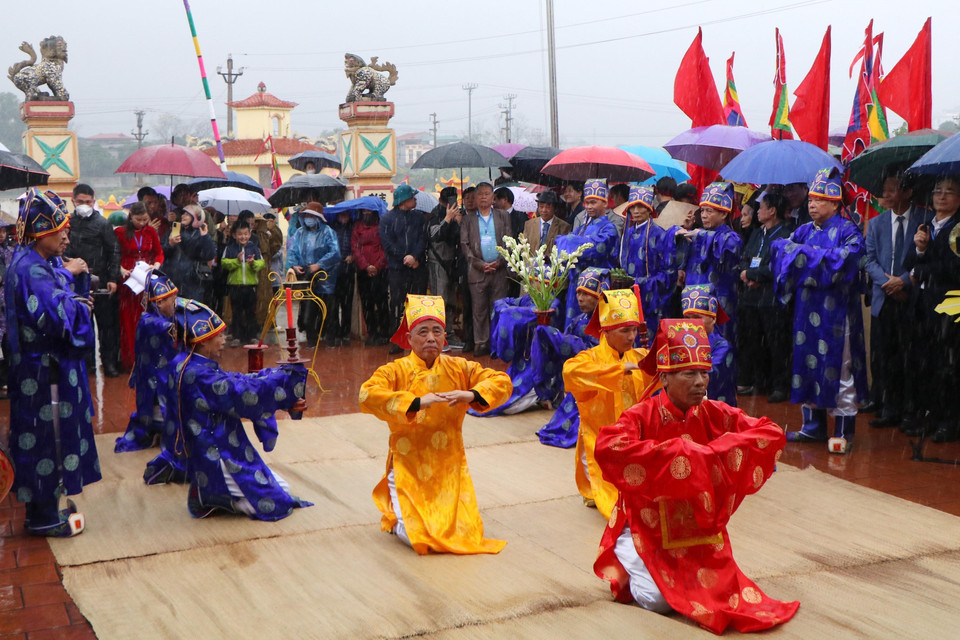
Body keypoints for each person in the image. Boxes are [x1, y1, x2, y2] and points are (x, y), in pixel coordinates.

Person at [593, 318, 798, 634]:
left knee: (719, 595)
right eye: (689, 374)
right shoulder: (641, 416)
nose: (701, 382)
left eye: (704, 373)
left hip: (699, 529)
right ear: (664, 379)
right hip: (646, 525)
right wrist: (680, 454)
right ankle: (627, 559)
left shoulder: (714, 412)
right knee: (656, 599)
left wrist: (718, 453)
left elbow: (767, 432)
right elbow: (608, 446)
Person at [359, 294, 512, 554]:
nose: (431, 338)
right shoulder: (394, 371)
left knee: (467, 534)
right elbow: (367, 394)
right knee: (419, 538)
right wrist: (416, 402)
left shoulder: (459, 367)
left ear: (444, 338)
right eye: (423, 332)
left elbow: (501, 381)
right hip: (408, 465)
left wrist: (471, 394)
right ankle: (397, 519)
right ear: (409, 339)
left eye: (437, 331)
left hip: (449, 466)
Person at [6, 189, 99, 537]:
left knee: (43, 437)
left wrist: (65, 275)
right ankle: (43, 517)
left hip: (36, 370)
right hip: (42, 372)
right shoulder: (33, 270)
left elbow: (52, 289)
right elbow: (59, 316)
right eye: (60, 230)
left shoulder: (31, 262)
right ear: (41, 233)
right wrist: (79, 302)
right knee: (47, 439)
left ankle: (45, 507)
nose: (66, 237)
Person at [175, 299, 311, 520]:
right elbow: (240, 394)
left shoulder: (188, 363)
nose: (223, 340)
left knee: (279, 487)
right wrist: (282, 384)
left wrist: (268, 377)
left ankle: (211, 491)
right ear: (201, 343)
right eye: (217, 336)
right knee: (278, 498)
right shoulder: (198, 374)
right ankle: (213, 495)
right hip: (214, 451)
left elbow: (230, 381)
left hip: (209, 442)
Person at [772, 167, 868, 453]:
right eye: (811, 199)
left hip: (836, 313)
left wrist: (801, 256)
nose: (812, 204)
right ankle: (812, 427)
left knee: (840, 366)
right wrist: (807, 257)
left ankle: (842, 430)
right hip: (806, 310)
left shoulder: (848, 231)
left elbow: (848, 261)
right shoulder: (802, 230)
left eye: (820, 199)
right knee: (807, 363)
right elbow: (779, 251)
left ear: (836, 203)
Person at [562, 288, 660, 519]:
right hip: (600, 437)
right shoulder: (591, 357)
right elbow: (570, 372)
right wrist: (617, 370)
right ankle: (592, 488)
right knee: (614, 499)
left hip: (633, 438)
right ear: (606, 331)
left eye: (634, 329)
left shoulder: (638, 357)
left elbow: (657, 376)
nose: (631, 336)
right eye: (625, 330)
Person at [902, 175, 960, 442]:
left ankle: (949, 421)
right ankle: (928, 416)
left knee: (947, 365)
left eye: (949, 192)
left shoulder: (957, 228)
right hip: (923, 305)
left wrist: (921, 270)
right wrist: (920, 250)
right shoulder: (925, 225)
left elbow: (954, 268)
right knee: (923, 361)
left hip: (949, 305)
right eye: (938, 191)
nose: (941, 196)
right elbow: (907, 262)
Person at [864, 172, 923, 430]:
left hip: (911, 299)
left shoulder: (925, 220)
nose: (886, 195)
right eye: (884, 189)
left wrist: (904, 281)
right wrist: (888, 284)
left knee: (909, 357)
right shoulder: (876, 224)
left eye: (892, 189)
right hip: (883, 298)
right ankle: (887, 406)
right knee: (883, 356)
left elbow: (925, 257)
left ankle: (909, 411)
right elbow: (869, 260)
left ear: (908, 192)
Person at [534, 267, 608, 448]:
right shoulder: (578, 320)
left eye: (586, 294)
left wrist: (569, 343)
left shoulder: (608, 323)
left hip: (598, 379)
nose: (580, 299)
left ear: (599, 295)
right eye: (578, 293)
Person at [737, 190, 793, 402]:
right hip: (751, 297)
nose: (757, 211)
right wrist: (745, 273)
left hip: (772, 298)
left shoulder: (786, 234)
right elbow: (745, 258)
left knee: (776, 343)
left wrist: (753, 274)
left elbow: (779, 266)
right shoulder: (756, 233)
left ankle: (780, 385)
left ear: (772, 210)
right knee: (753, 341)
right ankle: (760, 382)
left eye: (761, 207)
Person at [115, 270, 179, 453]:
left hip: (163, 373)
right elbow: (173, 329)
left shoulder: (164, 319)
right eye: (172, 299)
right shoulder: (150, 321)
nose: (177, 303)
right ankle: (158, 431)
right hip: (154, 378)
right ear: (159, 302)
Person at [678, 181, 743, 353]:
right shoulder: (697, 234)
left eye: (710, 211)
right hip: (692, 303)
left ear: (723, 214)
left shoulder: (731, 238)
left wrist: (700, 234)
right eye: (703, 210)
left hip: (719, 303)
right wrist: (684, 231)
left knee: (719, 346)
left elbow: (725, 252)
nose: (704, 215)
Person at [65, 183, 121, 377]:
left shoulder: (103, 223)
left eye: (88, 202)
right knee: (82, 325)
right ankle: (87, 365)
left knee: (107, 326)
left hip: (102, 280)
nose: (84, 205)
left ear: (94, 202)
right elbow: (62, 251)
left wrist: (113, 278)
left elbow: (114, 250)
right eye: (80, 201)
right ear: (73, 201)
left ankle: (109, 363)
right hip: (77, 281)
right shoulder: (67, 224)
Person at [618, 185, 679, 344]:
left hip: (651, 297)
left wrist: (645, 283)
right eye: (633, 207)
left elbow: (668, 272)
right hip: (629, 297)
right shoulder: (629, 232)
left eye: (641, 206)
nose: (636, 211)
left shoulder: (659, 234)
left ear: (650, 209)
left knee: (649, 341)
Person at [556, 179, 620, 329]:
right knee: (573, 323)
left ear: (605, 203)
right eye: (587, 203)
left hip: (596, 287)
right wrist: (574, 241)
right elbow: (560, 242)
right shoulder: (582, 228)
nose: (589, 207)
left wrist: (571, 241)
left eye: (593, 202)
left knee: (594, 327)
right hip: (577, 285)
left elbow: (595, 247)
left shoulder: (609, 228)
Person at [459, 182, 511, 357]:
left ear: (493, 197)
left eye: (487, 193)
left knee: (498, 309)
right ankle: (481, 343)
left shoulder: (503, 216)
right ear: (474, 197)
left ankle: (498, 343)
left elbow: (509, 242)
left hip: (499, 270)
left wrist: (499, 261)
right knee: (479, 310)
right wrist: (480, 264)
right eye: (480, 194)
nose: (483, 197)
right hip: (477, 272)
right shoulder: (468, 219)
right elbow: (465, 246)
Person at [116, 202, 164, 371]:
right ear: (131, 217)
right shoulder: (120, 232)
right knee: (128, 321)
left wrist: (156, 265)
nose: (142, 223)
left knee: (147, 318)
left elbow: (159, 252)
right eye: (138, 219)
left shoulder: (151, 231)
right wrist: (120, 268)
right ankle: (131, 360)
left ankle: (148, 359)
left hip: (146, 279)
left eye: (145, 219)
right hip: (128, 280)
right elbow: (115, 254)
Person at [380, 185, 428, 354]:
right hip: (397, 269)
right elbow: (387, 244)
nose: (415, 200)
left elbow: (423, 239)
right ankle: (398, 340)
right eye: (412, 198)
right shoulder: (387, 219)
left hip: (417, 268)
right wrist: (404, 258)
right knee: (397, 304)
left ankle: (418, 338)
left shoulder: (419, 217)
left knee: (418, 304)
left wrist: (414, 256)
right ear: (404, 200)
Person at [285, 202, 340, 346]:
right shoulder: (299, 233)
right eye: (307, 215)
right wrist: (295, 265)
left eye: (312, 215)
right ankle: (312, 339)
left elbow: (335, 252)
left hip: (326, 276)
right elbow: (291, 251)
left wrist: (320, 265)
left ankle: (330, 339)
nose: (309, 218)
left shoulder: (328, 231)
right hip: (306, 275)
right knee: (309, 308)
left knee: (328, 309)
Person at [681, 285, 736, 406]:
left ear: (713, 318)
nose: (692, 323)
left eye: (697, 317)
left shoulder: (722, 347)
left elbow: (710, 375)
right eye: (687, 318)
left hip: (715, 406)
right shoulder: (680, 342)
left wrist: (678, 375)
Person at [426, 187, 463, 348]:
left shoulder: (458, 214)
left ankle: (450, 334)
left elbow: (459, 237)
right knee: (439, 301)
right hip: (437, 262)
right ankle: (438, 337)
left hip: (452, 263)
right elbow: (434, 235)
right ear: (443, 200)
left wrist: (459, 222)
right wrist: (447, 219)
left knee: (451, 301)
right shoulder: (435, 213)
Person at [221, 221, 265, 347]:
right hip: (235, 285)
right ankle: (237, 336)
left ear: (250, 234)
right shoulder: (230, 248)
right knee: (236, 312)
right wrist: (237, 261)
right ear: (234, 235)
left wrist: (253, 264)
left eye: (246, 234)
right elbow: (224, 263)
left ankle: (252, 335)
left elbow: (261, 263)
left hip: (250, 286)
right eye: (240, 234)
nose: (243, 237)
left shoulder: (254, 248)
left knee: (252, 311)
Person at [162, 204, 216, 302]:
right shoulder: (174, 232)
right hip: (172, 282)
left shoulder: (201, 234)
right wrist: (170, 244)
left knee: (191, 313)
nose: (183, 216)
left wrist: (205, 237)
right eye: (183, 214)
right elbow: (161, 254)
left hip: (193, 283)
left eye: (187, 214)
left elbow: (209, 254)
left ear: (197, 217)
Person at [353, 207, 390, 345]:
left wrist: (377, 265)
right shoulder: (357, 226)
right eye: (364, 212)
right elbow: (355, 247)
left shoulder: (382, 225)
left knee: (382, 302)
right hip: (363, 270)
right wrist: (366, 265)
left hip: (381, 270)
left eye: (369, 212)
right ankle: (372, 333)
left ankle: (385, 332)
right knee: (367, 303)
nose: (366, 214)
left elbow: (386, 247)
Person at [328, 208, 355, 347]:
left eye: (346, 214)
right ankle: (335, 332)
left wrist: (353, 255)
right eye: (341, 214)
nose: (344, 217)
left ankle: (345, 333)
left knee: (347, 304)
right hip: (333, 271)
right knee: (333, 304)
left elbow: (356, 245)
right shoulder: (332, 228)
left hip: (348, 270)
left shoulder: (353, 227)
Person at [253, 212, 284, 330]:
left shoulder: (267, 233)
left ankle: (267, 321)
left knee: (266, 297)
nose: (254, 224)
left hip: (265, 272)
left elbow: (276, 245)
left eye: (257, 222)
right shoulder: (249, 234)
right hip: (251, 272)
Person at [521, 191, 571, 255]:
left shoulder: (564, 227)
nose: (544, 210)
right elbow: (524, 248)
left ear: (554, 208)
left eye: (548, 207)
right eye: (541, 207)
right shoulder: (529, 224)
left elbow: (564, 250)